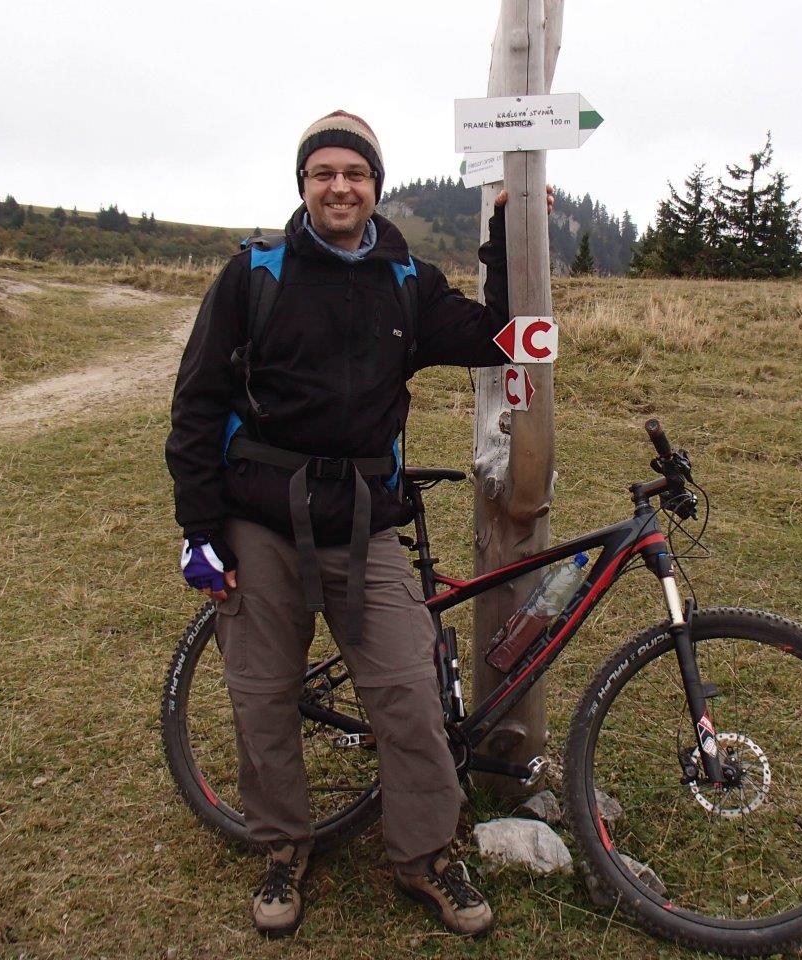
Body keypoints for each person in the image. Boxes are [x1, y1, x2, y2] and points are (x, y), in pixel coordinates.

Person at [166, 110, 549, 939]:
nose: (340, 186)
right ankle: (282, 849)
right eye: (323, 173)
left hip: (368, 523)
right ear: (302, 185)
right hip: (258, 524)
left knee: (410, 696)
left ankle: (423, 856)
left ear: (376, 186)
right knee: (264, 696)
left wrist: (510, 234)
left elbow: (492, 335)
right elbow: (196, 404)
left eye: (356, 173)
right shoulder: (254, 275)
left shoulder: (407, 280)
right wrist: (200, 533)